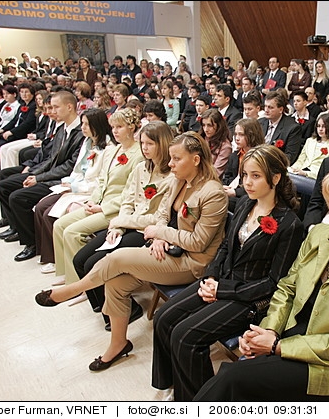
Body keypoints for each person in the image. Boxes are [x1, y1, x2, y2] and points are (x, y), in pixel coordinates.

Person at [193, 162, 329, 401]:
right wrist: (268, 330)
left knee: (232, 378)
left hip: (327, 365)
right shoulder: (319, 235)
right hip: (288, 332)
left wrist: (275, 346)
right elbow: (287, 288)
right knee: (233, 380)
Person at [35, 131, 228, 372]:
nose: (170, 164)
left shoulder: (213, 193)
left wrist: (161, 233)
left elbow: (198, 242)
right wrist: (159, 234)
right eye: (170, 158)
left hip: (192, 263)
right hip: (170, 250)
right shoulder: (177, 181)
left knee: (116, 258)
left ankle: (74, 289)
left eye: (177, 159)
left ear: (196, 159)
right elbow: (162, 215)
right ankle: (118, 344)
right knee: (115, 284)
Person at [152, 144, 304, 401]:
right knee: (163, 318)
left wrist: (221, 290)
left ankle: (199, 400)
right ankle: (172, 382)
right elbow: (225, 246)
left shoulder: (289, 224)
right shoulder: (245, 204)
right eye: (245, 175)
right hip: (221, 280)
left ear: (276, 178)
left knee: (186, 335)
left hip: (249, 298)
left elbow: (273, 283)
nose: (247, 182)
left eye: (256, 176)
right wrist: (211, 277)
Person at [71, 121, 174, 329]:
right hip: (127, 223)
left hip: (145, 231)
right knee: (80, 259)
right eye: (142, 143)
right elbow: (127, 200)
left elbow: (157, 218)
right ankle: (102, 306)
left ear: (162, 144)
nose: (144, 148)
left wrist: (121, 221)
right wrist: (117, 227)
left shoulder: (171, 176)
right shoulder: (140, 168)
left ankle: (125, 309)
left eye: (150, 144)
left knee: (94, 263)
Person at [51, 108, 143, 285]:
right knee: (59, 224)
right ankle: (68, 273)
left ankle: (82, 283)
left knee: (72, 232)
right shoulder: (112, 150)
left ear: (131, 127)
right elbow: (102, 180)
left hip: (115, 209)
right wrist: (92, 200)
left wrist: (102, 207)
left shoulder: (138, 154)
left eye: (119, 127)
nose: (115, 131)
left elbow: (131, 192)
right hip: (99, 203)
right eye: (113, 127)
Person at [0, 91, 85, 261]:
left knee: (17, 197)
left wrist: (39, 178)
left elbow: (69, 167)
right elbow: (51, 159)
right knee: (3, 185)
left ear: (69, 107)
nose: (52, 111)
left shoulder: (81, 132)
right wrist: (34, 172)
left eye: (56, 107)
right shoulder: (62, 128)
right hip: (49, 174)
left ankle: (32, 243)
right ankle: (16, 226)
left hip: (62, 180)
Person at [33, 108, 113, 274]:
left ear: (97, 125)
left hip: (88, 190)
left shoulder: (108, 147)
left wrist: (75, 187)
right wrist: (70, 182)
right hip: (77, 184)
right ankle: (52, 257)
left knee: (50, 214)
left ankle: (58, 259)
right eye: (82, 123)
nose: (82, 128)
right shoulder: (87, 142)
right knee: (41, 206)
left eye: (86, 124)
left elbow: (100, 180)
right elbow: (78, 168)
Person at [223, 118, 265, 212]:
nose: (237, 138)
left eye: (241, 134)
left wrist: (235, 192)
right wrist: (225, 187)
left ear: (252, 135)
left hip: (251, 197)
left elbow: (258, 184)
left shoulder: (261, 157)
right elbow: (228, 176)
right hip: (234, 192)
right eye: (235, 134)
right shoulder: (234, 156)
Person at [0, 90, 49, 169]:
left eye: (40, 99)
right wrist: (32, 134)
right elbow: (38, 128)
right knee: (4, 148)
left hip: (39, 138)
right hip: (33, 137)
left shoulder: (49, 114)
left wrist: (36, 135)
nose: (38, 101)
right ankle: (5, 170)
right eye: (37, 99)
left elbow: (46, 130)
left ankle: (13, 170)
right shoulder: (39, 112)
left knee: (12, 150)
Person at [289, 113, 329, 179]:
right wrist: (292, 169)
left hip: (315, 177)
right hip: (301, 172)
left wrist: (306, 173)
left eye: (324, 126)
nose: (320, 129)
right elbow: (300, 160)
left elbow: (326, 170)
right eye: (318, 126)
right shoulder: (310, 141)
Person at [259, 91, 302, 164]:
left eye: (270, 107)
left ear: (281, 109)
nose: (266, 110)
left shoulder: (293, 128)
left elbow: (290, 157)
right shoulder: (260, 122)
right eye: (265, 106)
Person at [200, 108, 233, 178]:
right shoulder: (201, 139)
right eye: (203, 125)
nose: (205, 129)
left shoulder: (225, 147)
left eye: (209, 125)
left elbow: (215, 173)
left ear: (219, 126)